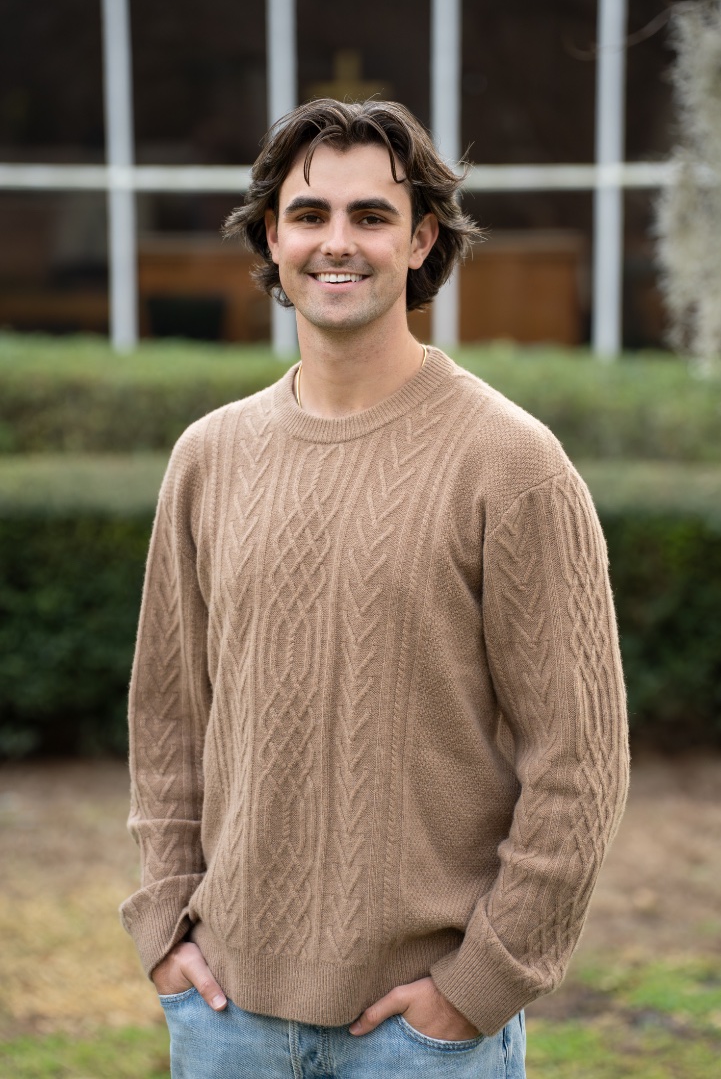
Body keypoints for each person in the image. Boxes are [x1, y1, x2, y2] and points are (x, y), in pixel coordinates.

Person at [120, 98, 629, 1078]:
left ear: (421, 238)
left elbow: (578, 760)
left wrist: (479, 984)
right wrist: (165, 927)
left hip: (422, 1036)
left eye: (371, 215)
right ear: (273, 238)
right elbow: (167, 719)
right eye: (308, 215)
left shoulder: (511, 464)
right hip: (224, 1019)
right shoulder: (207, 458)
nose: (336, 242)